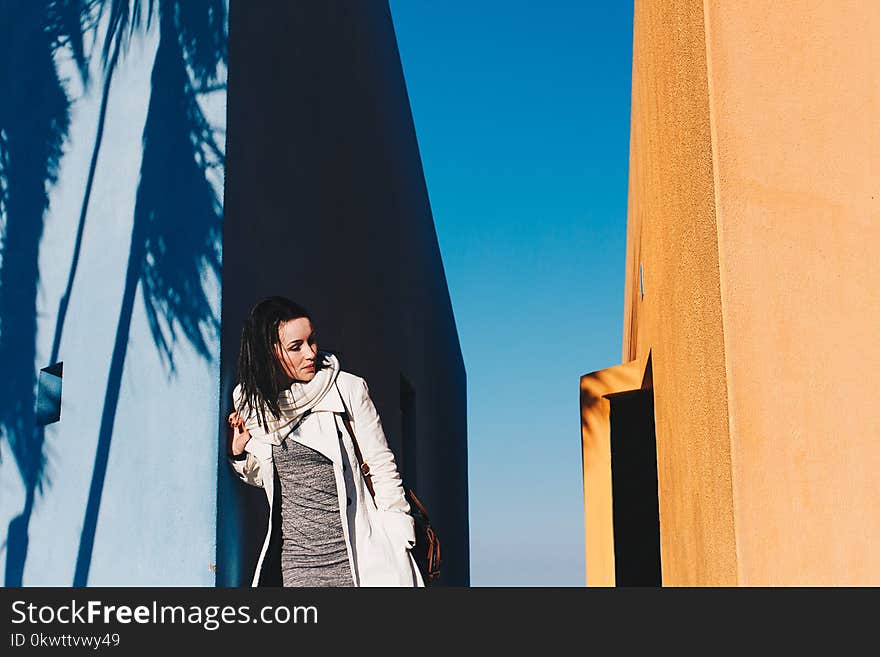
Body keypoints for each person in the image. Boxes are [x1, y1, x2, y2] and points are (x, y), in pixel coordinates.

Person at [226, 296, 423, 587]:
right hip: (296, 566)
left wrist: (400, 536)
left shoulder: (346, 389)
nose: (310, 353)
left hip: (358, 559)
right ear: (269, 353)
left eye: (312, 340)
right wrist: (240, 452)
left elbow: (382, 466)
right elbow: (270, 478)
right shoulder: (254, 407)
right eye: (296, 347)